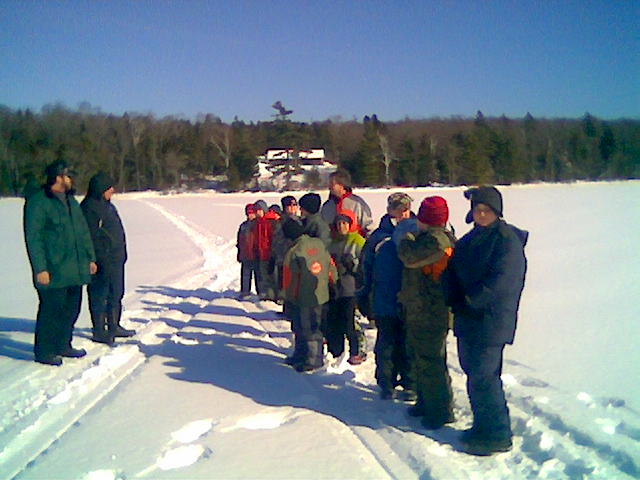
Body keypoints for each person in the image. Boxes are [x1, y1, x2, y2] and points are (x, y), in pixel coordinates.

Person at [443, 186, 528, 455]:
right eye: (477, 210)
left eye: (486, 210)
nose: (481, 215)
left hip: (491, 321)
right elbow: (452, 270)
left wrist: (469, 301)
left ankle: (498, 434)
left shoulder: (506, 241)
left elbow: (503, 281)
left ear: (496, 212)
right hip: (469, 319)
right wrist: (451, 295)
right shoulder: (471, 239)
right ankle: (482, 426)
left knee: (485, 377)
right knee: (473, 374)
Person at [23, 160, 97, 366]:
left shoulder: (71, 201)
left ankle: (63, 344)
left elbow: (82, 233)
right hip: (53, 269)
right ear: (58, 177)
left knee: (71, 309)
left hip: (75, 267)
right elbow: (34, 238)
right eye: (68, 176)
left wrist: (90, 257)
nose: (71, 179)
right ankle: (44, 351)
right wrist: (40, 268)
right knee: (51, 311)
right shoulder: (39, 202)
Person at [397, 196, 456, 429]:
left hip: (432, 311)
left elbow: (409, 257)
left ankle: (440, 410)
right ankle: (426, 401)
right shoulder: (431, 238)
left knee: (431, 361)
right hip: (421, 309)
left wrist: (407, 237)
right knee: (421, 358)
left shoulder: (436, 241)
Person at [359, 192, 414, 399]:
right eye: (398, 209)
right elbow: (366, 267)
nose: (402, 213)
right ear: (389, 210)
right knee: (387, 343)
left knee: (409, 342)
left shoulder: (417, 231)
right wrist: (363, 294)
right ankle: (386, 382)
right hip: (384, 298)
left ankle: (410, 382)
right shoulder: (379, 237)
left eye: (405, 209)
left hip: (410, 299)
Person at [81, 172, 134, 345]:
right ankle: (99, 330)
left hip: (116, 258)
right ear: (100, 189)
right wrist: (94, 259)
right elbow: (89, 237)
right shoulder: (89, 207)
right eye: (109, 187)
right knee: (99, 294)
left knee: (116, 292)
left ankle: (114, 325)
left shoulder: (108, 205)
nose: (113, 190)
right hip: (101, 259)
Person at [282, 218, 337, 372]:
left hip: (302, 296)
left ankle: (312, 359)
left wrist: (289, 297)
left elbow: (289, 278)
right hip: (321, 293)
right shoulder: (319, 244)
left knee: (304, 326)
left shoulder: (294, 251)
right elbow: (330, 265)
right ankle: (304, 355)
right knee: (313, 325)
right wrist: (333, 283)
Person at [326, 213, 367, 365]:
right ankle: (336, 352)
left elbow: (366, 265)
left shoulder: (358, 241)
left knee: (350, 322)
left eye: (344, 223)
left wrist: (353, 265)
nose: (341, 226)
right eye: (339, 223)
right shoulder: (332, 242)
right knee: (335, 321)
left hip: (352, 288)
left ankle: (357, 350)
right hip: (335, 288)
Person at [321, 169, 373, 237]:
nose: (329, 187)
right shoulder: (327, 206)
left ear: (341, 185)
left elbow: (369, 226)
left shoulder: (357, 203)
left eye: (332, 184)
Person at [271, 196, 301, 302]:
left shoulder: (300, 220)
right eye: (289, 205)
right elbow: (276, 241)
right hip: (284, 257)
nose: (293, 208)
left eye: (294, 205)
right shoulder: (281, 222)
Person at [253, 200, 278, 300]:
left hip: (270, 254)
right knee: (264, 276)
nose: (257, 212)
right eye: (256, 210)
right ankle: (268, 295)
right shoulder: (258, 222)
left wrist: (273, 252)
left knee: (272, 277)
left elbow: (274, 238)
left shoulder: (271, 221)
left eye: (259, 210)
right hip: (262, 253)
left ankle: (273, 296)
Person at [236, 203, 258, 298]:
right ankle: (245, 292)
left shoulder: (258, 224)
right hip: (246, 254)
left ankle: (260, 293)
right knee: (245, 275)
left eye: (252, 213)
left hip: (256, 254)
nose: (250, 215)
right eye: (248, 213)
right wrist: (239, 253)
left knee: (258, 276)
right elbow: (240, 240)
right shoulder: (243, 226)